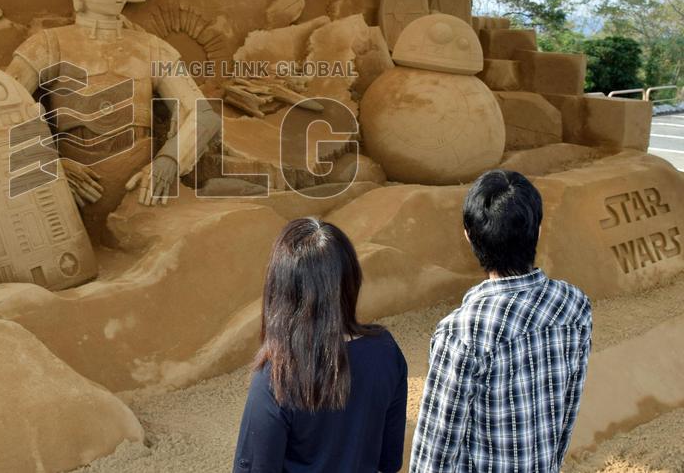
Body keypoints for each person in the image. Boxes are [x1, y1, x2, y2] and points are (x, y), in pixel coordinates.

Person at [410, 169, 593, 472]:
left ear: (469, 235)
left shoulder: (462, 333)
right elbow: (566, 414)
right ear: (537, 229)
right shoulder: (574, 306)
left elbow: (435, 453)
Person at [233, 218, 408, 472]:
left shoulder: (277, 374)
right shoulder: (386, 351)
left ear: (281, 289)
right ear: (351, 279)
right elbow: (390, 461)